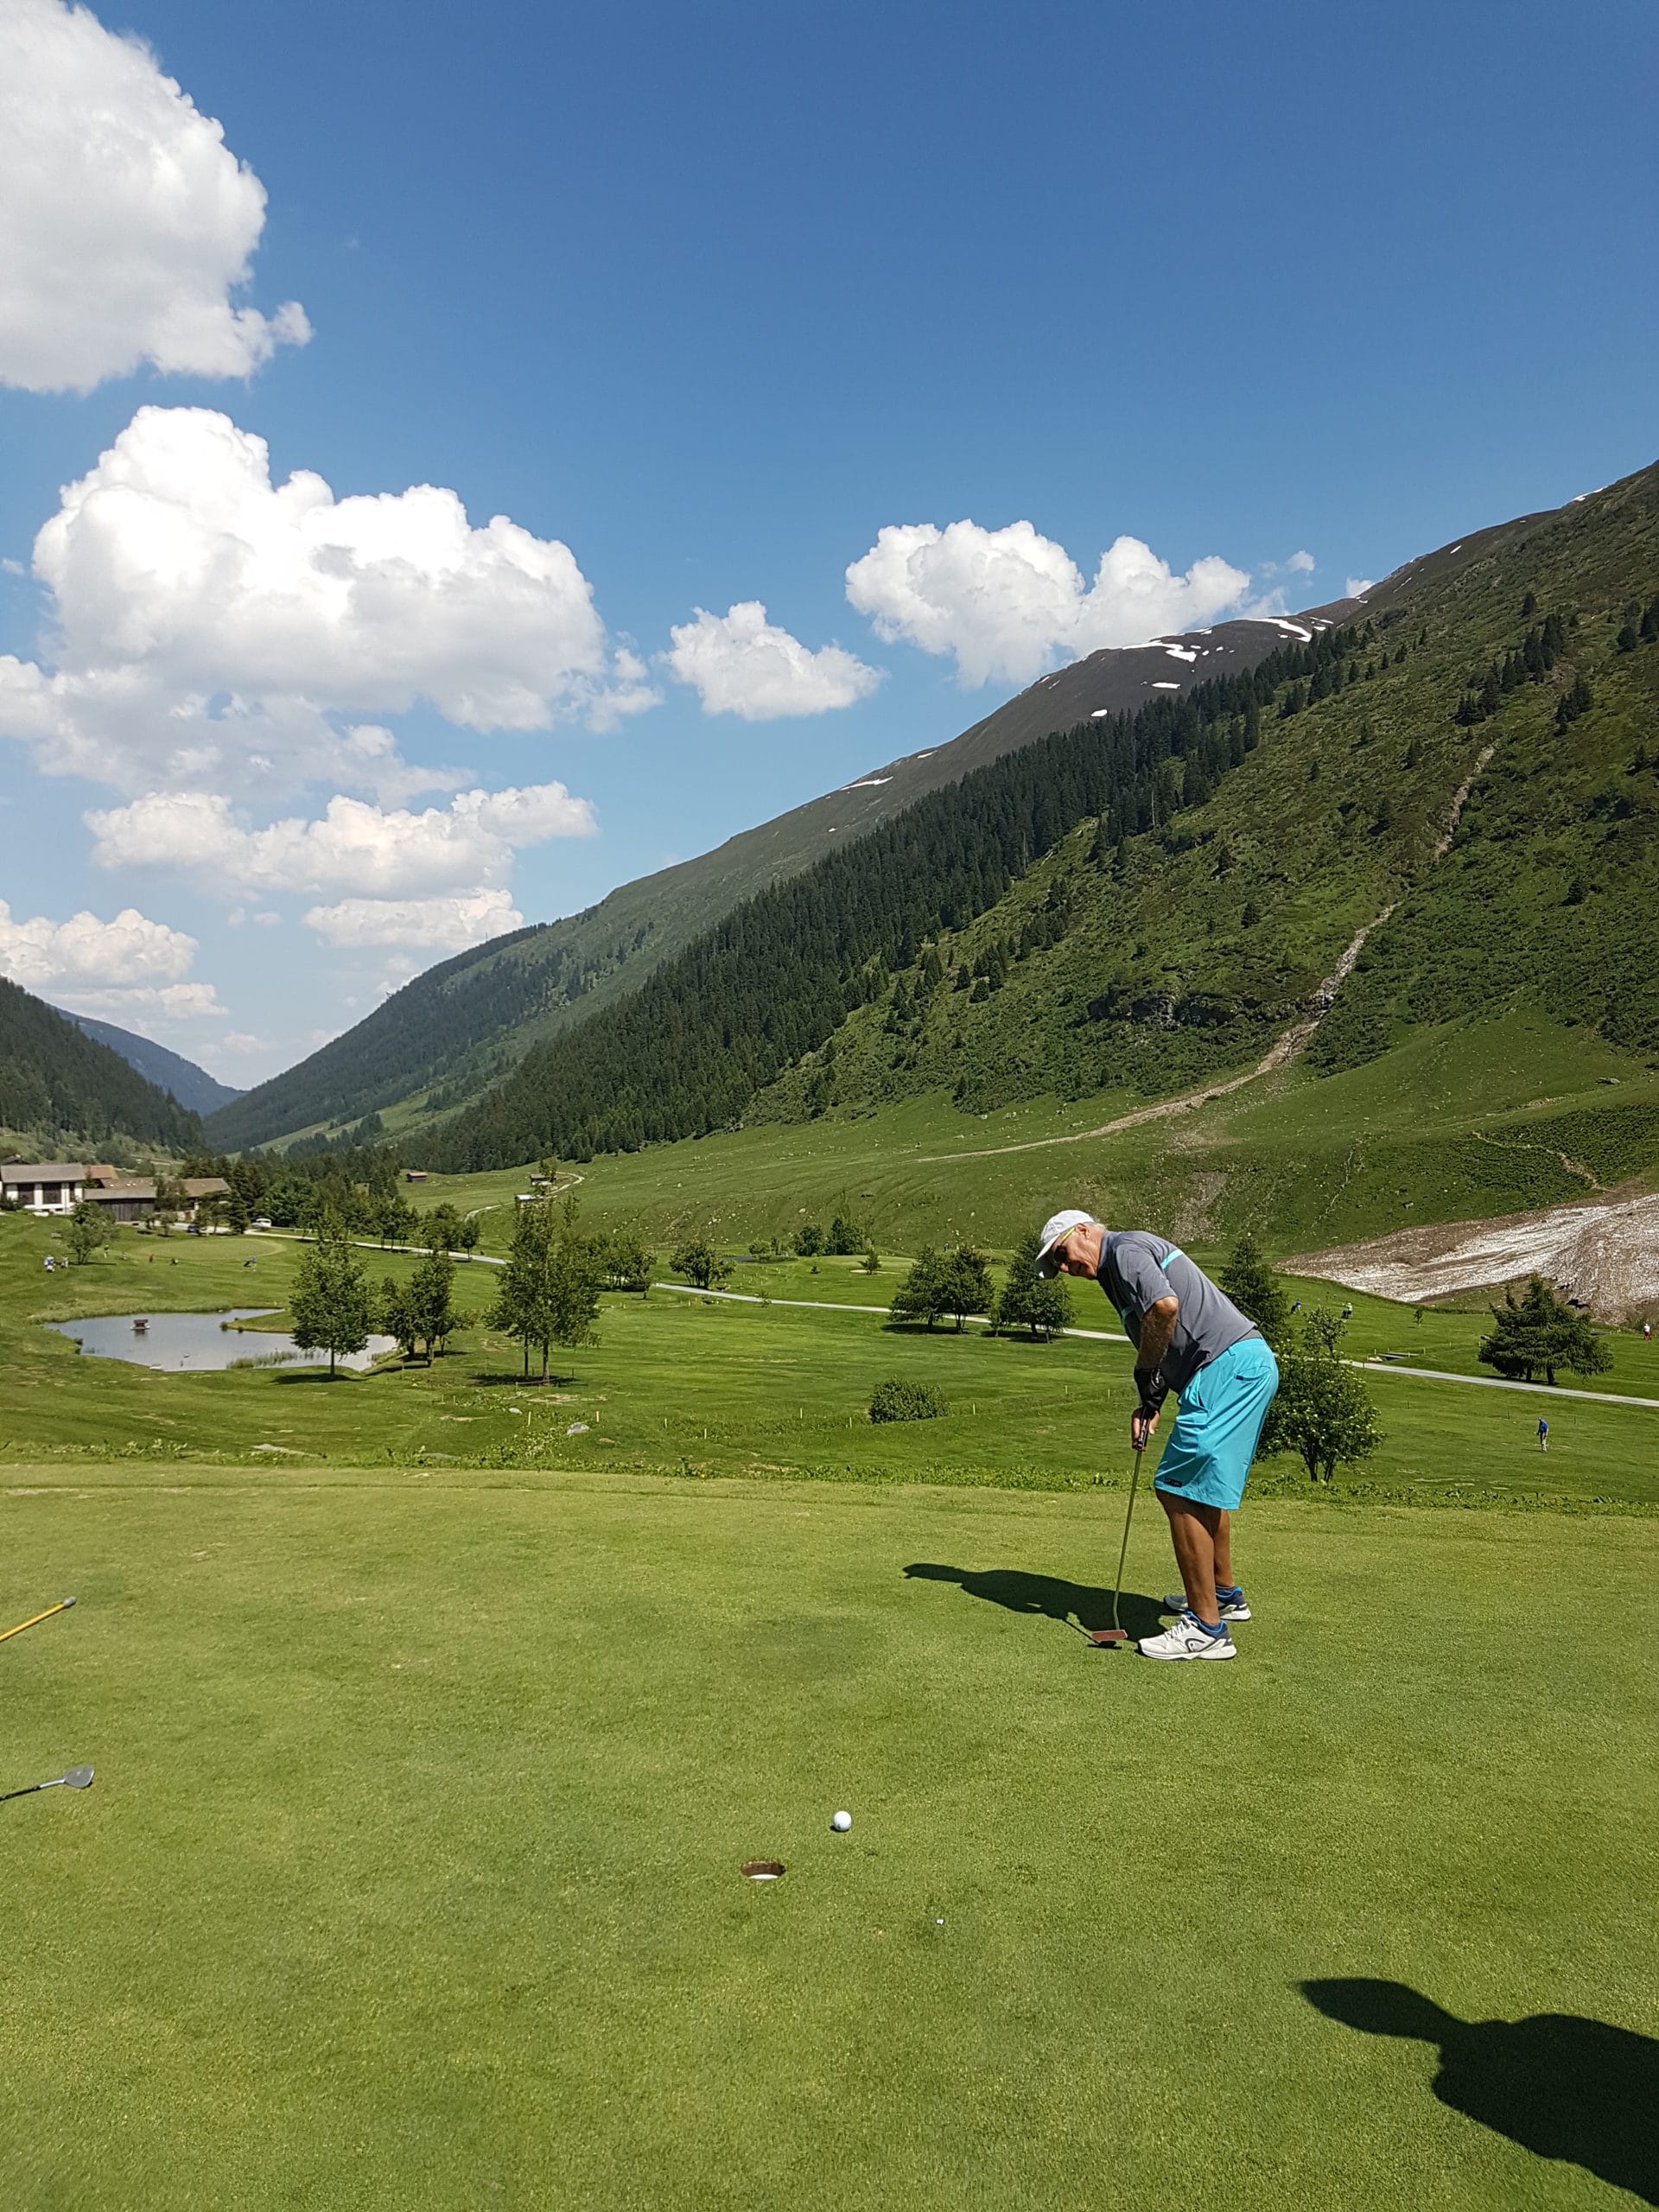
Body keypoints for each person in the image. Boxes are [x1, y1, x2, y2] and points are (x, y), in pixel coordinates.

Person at [1036, 1211, 1279, 1662]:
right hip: (1236, 1366)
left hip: (1225, 1367)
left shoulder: (1124, 1251)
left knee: (1177, 1488)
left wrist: (1145, 1372)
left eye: (1063, 1255)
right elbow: (1165, 1337)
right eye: (1058, 1266)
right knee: (1204, 1490)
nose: (1066, 1268)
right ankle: (1222, 1593)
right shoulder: (1114, 1270)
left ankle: (1207, 1629)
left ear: (1083, 1230)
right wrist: (1151, 1400)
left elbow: (1165, 1308)